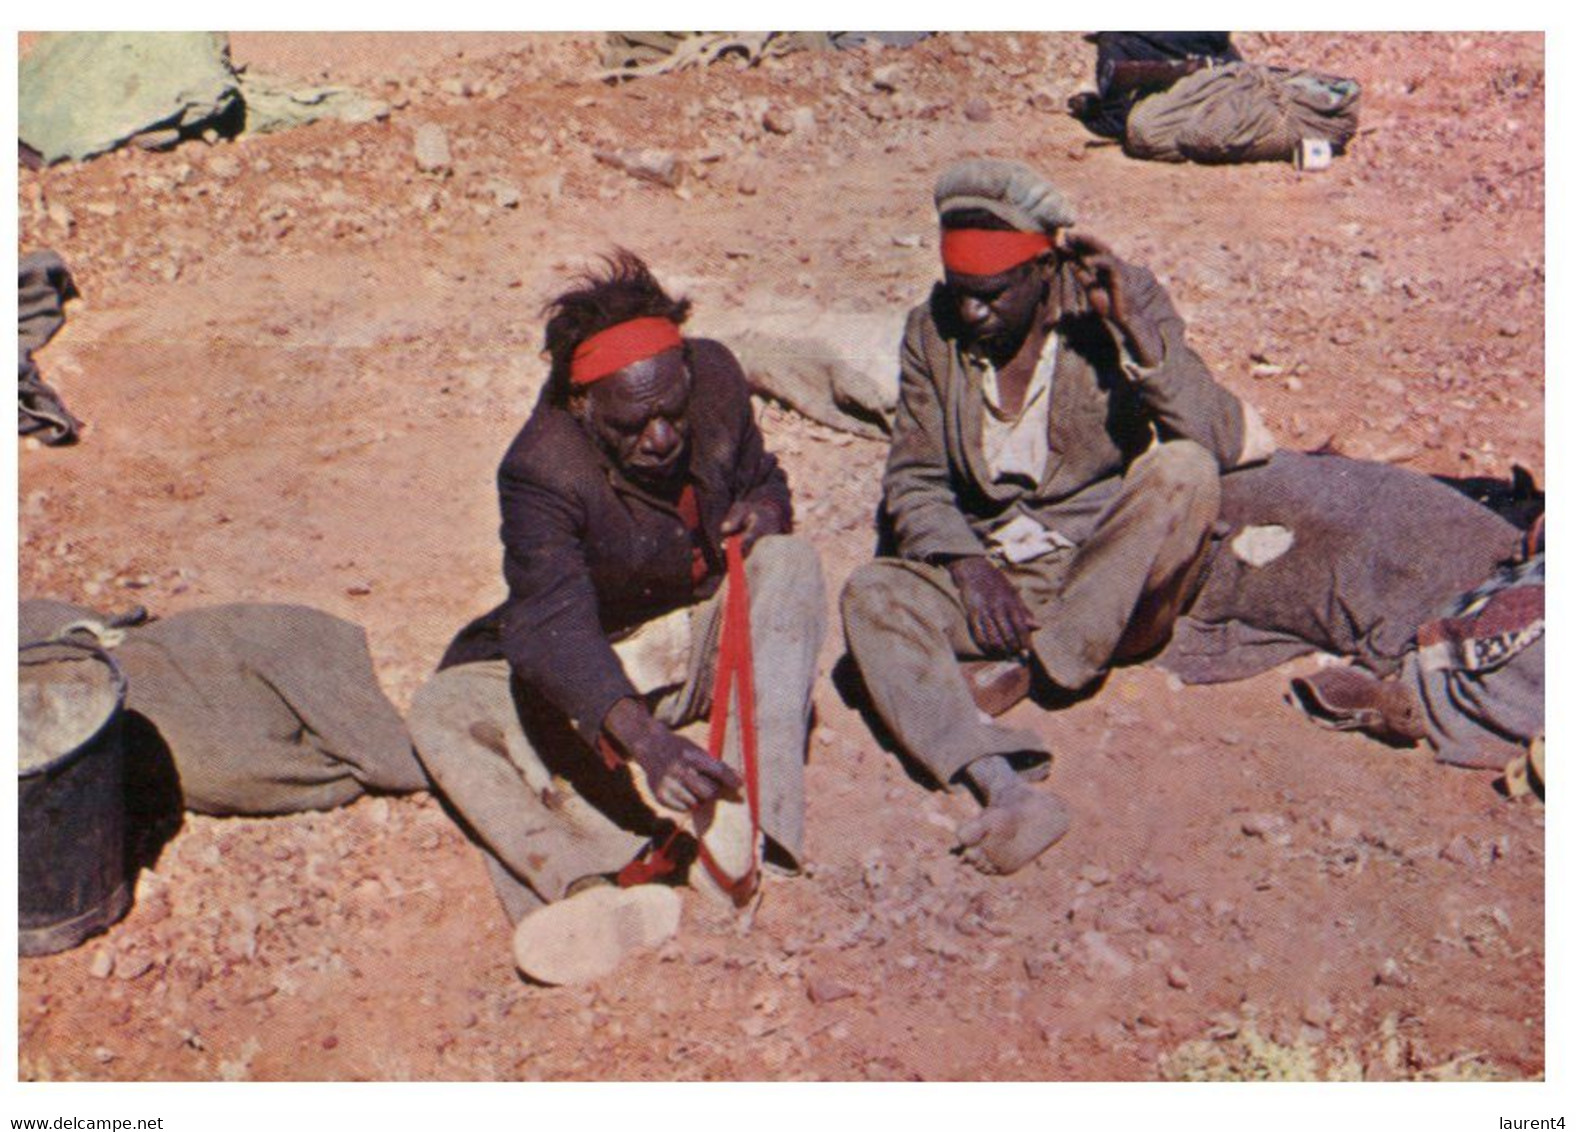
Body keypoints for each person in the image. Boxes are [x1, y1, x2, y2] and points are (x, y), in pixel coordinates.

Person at [842, 158, 1272, 876]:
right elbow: (914, 478)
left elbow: (1219, 439)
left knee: (1183, 471)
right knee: (870, 592)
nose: (972, 315)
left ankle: (1047, 664)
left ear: (1043, 273)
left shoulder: (1111, 306)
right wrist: (967, 566)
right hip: (1000, 571)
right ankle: (1000, 783)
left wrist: (1135, 333)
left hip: (1101, 573)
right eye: (961, 295)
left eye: (991, 296)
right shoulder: (932, 330)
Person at [409, 251, 825, 983]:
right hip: (609, 668)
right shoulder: (543, 467)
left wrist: (764, 510)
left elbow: (763, 478)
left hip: (701, 640)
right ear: (583, 406)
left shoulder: (717, 380)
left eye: (672, 412)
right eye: (634, 425)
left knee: (790, 566)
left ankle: (757, 832)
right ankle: (598, 882)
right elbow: (552, 624)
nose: (662, 439)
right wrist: (647, 741)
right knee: (445, 709)